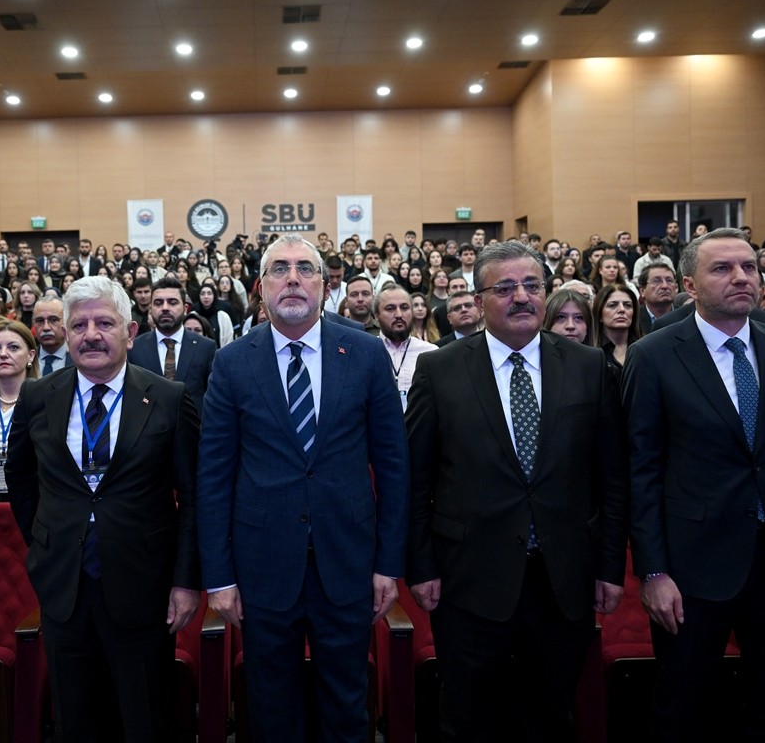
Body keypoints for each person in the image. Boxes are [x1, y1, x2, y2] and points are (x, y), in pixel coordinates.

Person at [622, 227, 765, 741]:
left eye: (749, 266)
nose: (741, 277)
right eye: (722, 269)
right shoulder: (653, 355)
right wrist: (652, 571)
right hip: (693, 566)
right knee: (683, 705)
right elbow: (642, 470)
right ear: (690, 285)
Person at [406, 240, 628, 741]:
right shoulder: (439, 369)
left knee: (549, 714)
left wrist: (610, 567)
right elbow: (416, 480)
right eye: (505, 288)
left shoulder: (589, 366)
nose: (521, 297)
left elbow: (612, 480)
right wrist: (420, 567)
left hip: (563, 578)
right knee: (467, 716)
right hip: (469, 578)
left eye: (532, 285)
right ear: (480, 298)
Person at [198, 234, 408, 742]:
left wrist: (388, 564)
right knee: (272, 710)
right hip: (263, 566)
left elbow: (395, 464)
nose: (292, 278)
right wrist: (219, 577)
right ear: (260, 286)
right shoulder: (231, 362)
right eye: (279, 269)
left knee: (346, 706)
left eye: (305, 269)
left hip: (349, 560)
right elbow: (213, 476)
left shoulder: (363, 352)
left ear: (325, 285)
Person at [4, 275, 201, 742]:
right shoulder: (37, 397)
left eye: (104, 323)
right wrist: (50, 541)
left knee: (144, 718)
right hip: (64, 586)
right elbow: (21, 478)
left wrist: (186, 579)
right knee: (77, 719)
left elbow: (194, 497)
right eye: (79, 325)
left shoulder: (170, 399)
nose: (91, 334)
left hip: (144, 586)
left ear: (130, 333)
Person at [128, 276, 217, 418]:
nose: (165, 308)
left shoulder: (205, 347)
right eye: (158, 303)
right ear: (150, 309)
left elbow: (213, 398)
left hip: (193, 433)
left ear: (185, 308)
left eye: (172, 302)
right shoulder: (135, 348)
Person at [0, 318, 38, 495]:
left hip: (33, 501)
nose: (3, 354)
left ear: (31, 355)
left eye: (13, 347)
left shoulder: (46, 401)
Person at [375, 284, 436, 412]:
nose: (398, 314)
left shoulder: (431, 352)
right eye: (390, 308)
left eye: (404, 308)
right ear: (376, 316)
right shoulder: (366, 352)